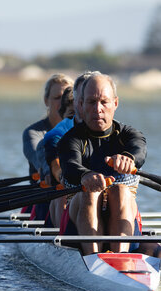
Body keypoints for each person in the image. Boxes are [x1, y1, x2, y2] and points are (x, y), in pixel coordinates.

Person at [58, 73, 146, 255]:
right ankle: (94, 259)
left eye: (104, 102)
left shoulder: (130, 135)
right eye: (91, 102)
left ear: (115, 103)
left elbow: (139, 151)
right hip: (77, 221)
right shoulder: (70, 140)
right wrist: (85, 176)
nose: (98, 109)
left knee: (120, 191)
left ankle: (119, 259)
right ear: (81, 105)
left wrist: (129, 159)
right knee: (91, 192)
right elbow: (70, 166)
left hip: (123, 211)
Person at [37, 71, 97, 227]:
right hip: (65, 198)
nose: (96, 107)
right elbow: (57, 168)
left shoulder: (114, 129)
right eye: (89, 101)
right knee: (63, 187)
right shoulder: (59, 133)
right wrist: (64, 174)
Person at [22, 73, 73, 220]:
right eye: (57, 98)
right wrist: (49, 169)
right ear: (46, 101)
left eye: (67, 98)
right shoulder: (33, 133)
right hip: (43, 197)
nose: (62, 102)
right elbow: (39, 156)